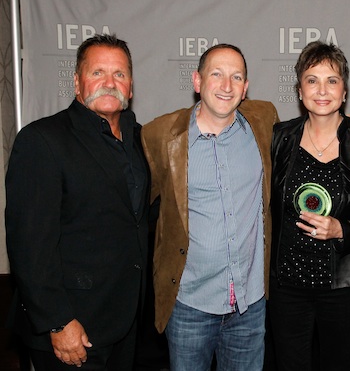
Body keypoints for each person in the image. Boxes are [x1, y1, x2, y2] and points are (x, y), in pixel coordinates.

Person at [6, 34, 149, 370]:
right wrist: (57, 321)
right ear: (77, 82)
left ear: (130, 86)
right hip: (73, 327)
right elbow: (29, 243)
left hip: (125, 321)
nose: (109, 83)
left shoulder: (140, 139)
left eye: (120, 74)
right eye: (97, 72)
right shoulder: (42, 140)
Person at [140, 43, 279, 371]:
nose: (226, 85)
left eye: (236, 77)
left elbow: (314, 132)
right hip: (190, 305)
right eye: (216, 74)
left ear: (246, 89)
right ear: (197, 81)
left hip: (250, 306)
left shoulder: (265, 122)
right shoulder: (160, 136)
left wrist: (348, 125)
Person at [269, 41, 350, 371]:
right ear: (299, 89)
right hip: (287, 286)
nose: (322, 90)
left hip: (343, 287)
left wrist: (341, 229)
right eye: (312, 80)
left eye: (332, 80)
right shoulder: (279, 138)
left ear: (344, 91)